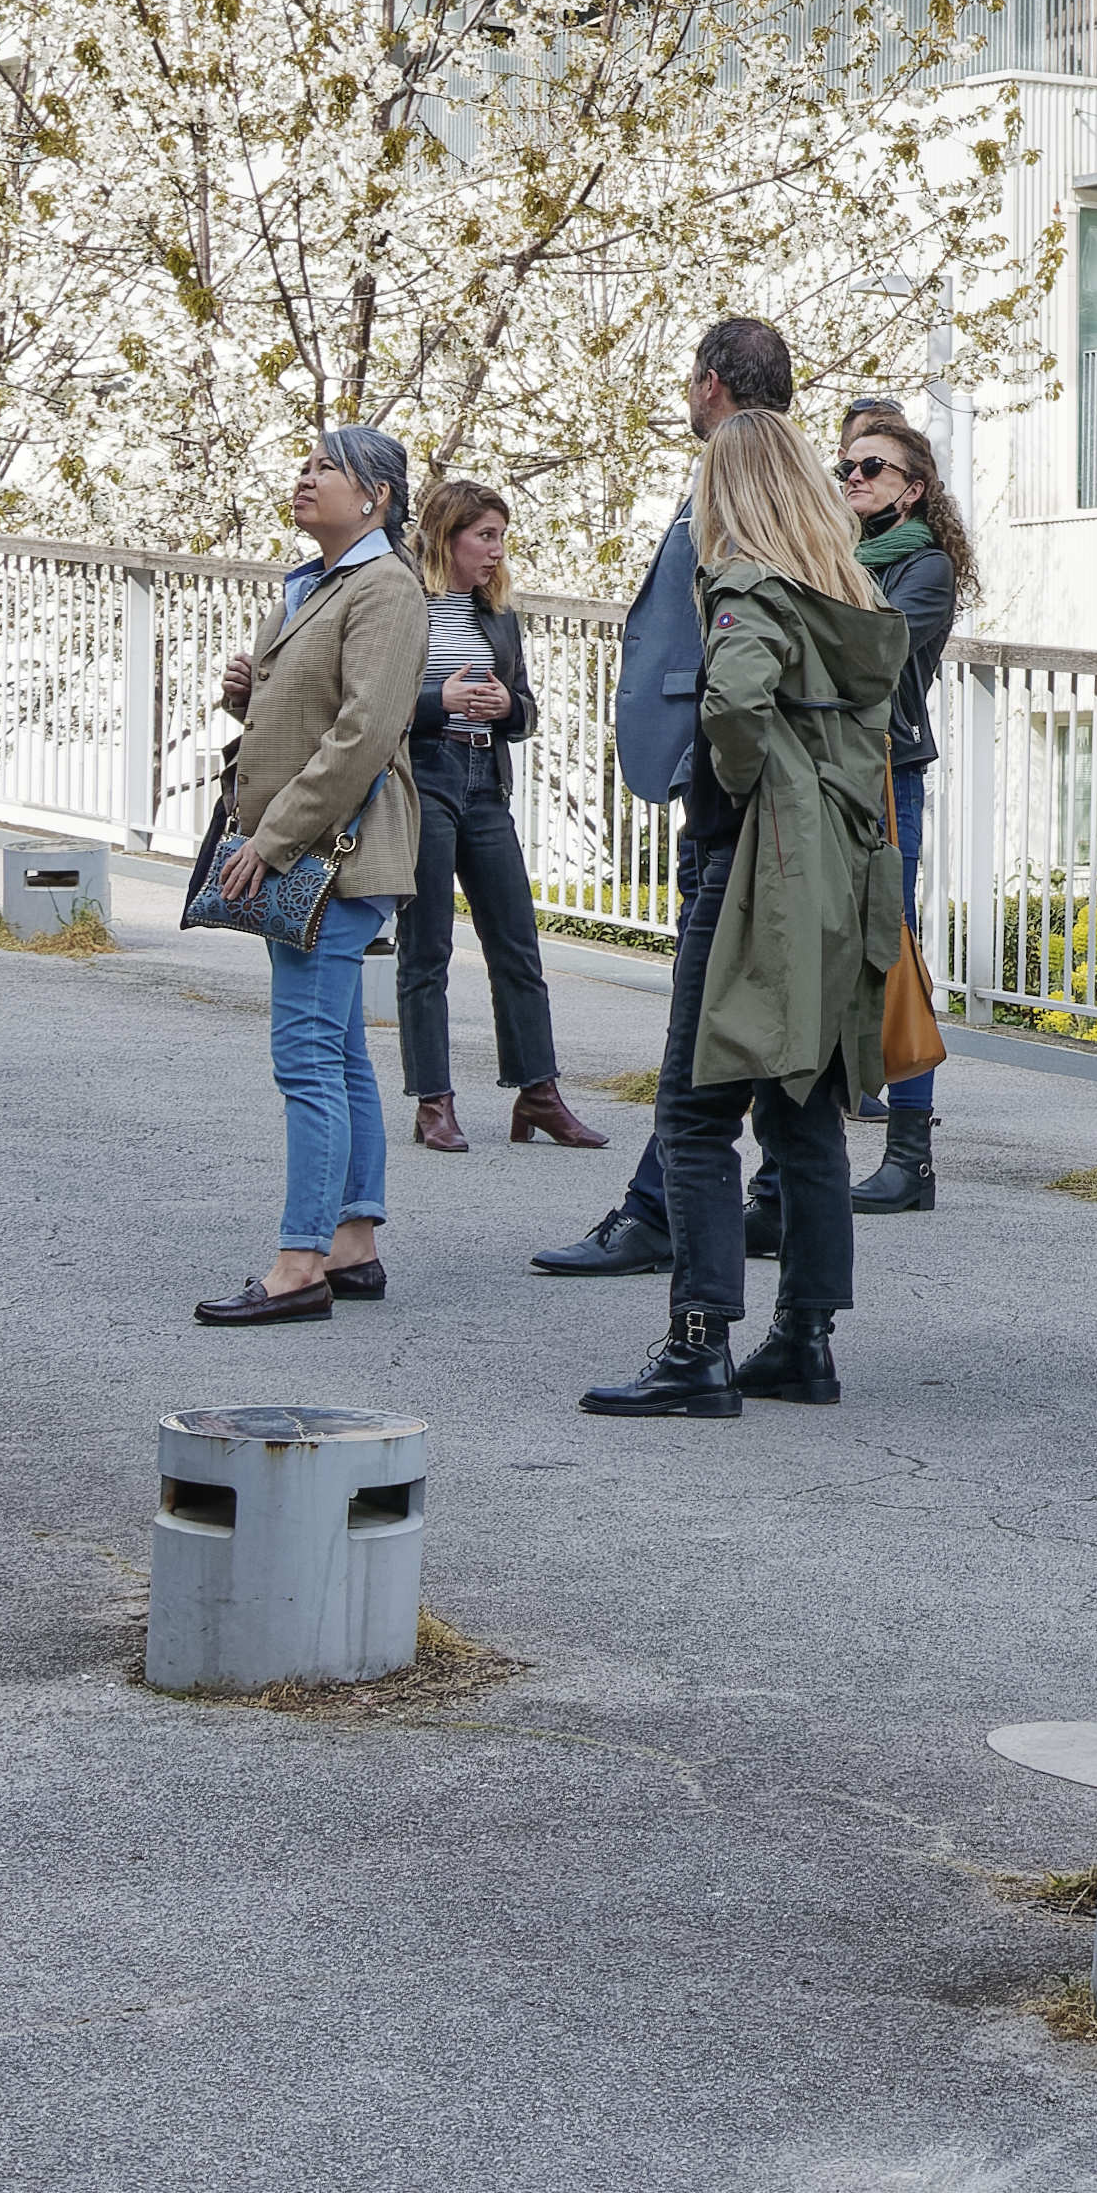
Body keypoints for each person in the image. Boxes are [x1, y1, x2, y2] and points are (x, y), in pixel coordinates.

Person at [587, 411, 909, 1418]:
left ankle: (696, 1348)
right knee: (802, 1110)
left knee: (694, 1113)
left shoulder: (745, 585)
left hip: (755, 868)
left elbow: (732, 705)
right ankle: (803, 1341)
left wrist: (739, 783)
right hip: (841, 871)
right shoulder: (847, 596)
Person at [537, 316, 793, 1279]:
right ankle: (745, 1237)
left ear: (714, 383)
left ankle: (665, 1225)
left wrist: (712, 769)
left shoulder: (744, 482)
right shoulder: (780, 479)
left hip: (727, 793)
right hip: (732, 788)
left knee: (705, 1030)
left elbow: (734, 651)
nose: (688, 396)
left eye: (691, 381)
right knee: (736, 1033)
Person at [190, 429, 430, 1327]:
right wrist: (249, 695)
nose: (305, 477)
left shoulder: (386, 588)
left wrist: (274, 839)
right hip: (315, 846)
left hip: (337, 852)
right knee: (338, 1051)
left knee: (305, 1058)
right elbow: (317, 708)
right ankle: (354, 1242)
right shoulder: (311, 581)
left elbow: (366, 735)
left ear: (375, 495)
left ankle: (299, 1262)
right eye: (306, 464)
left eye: (325, 467)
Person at [392, 479, 607, 1158]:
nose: (496, 552)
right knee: (425, 948)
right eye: (484, 537)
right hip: (423, 777)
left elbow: (527, 708)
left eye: (500, 538)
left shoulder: (499, 614)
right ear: (447, 535)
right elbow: (370, 699)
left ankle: (538, 1094)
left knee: (517, 943)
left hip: (484, 779)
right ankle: (434, 1101)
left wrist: (505, 708)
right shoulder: (400, 602)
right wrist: (439, 700)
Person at [840, 415, 972, 1212]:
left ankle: (910, 1156)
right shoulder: (836, 555)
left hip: (888, 773)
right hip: (829, 770)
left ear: (912, 489)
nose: (853, 477)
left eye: (873, 468)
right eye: (846, 466)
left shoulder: (924, 567)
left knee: (892, 947)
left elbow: (870, 653)